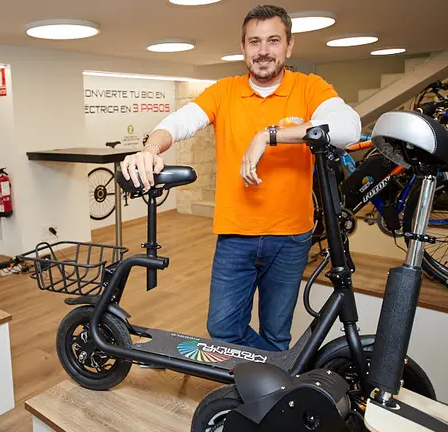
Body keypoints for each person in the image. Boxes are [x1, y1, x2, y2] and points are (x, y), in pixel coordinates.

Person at [120, 4, 361, 352]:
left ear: (289, 46)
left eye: (273, 40)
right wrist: (150, 149)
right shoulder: (224, 91)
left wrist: (270, 135)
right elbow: (179, 122)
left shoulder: (309, 88)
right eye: (254, 42)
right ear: (243, 47)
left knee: (277, 332)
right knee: (222, 330)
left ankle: (267, 398)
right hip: (236, 235)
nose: (263, 51)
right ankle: (278, 370)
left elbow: (347, 129)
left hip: (291, 236)